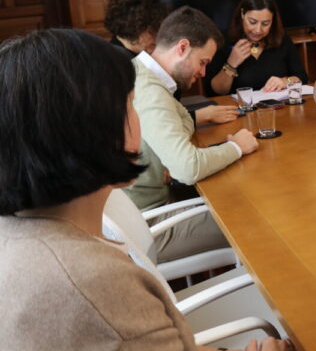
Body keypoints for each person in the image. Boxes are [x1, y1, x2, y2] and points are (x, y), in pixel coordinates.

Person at [0, 28, 286, 350]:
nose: (139, 119)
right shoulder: (93, 283)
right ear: (91, 129)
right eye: (131, 106)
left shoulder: (27, 237)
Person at [126, 6, 259, 263]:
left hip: (147, 207)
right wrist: (237, 147)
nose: (203, 73)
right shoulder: (151, 91)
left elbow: (174, 128)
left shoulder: (140, 72)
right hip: (151, 226)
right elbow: (187, 168)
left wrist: (166, 157)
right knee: (256, 214)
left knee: (239, 193)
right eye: (203, 62)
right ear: (182, 47)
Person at [105, 0, 240, 126]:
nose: (158, 37)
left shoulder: (129, 51)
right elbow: (153, 120)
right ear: (138, 29)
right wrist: (199, 116)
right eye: (154, 31)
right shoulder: (122, 64)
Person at [206, 0, 308, 95]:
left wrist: (285, 81)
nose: (258, 30)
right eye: (252, 22)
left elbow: (302, 77)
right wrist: (231, 64)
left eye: (265, 23)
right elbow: (216, 91)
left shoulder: (282, 39)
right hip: (240, 108)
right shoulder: (222, 41)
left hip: (278, 108)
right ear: (242, 14)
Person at [105, 0, 170, 56]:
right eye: (154, 30)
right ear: (137, 31)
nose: (158, 36)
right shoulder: (119, 59)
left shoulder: (130, 46)